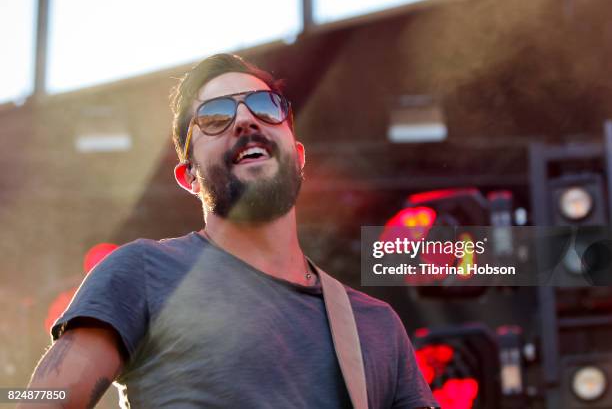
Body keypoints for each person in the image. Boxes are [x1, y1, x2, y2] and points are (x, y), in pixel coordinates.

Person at [21, 54, 439, 408]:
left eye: (265, 106)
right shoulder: (142, 273)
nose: (244, 118)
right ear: (190, 177)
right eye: (215, 116)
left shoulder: (375, 326)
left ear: (298, 154)